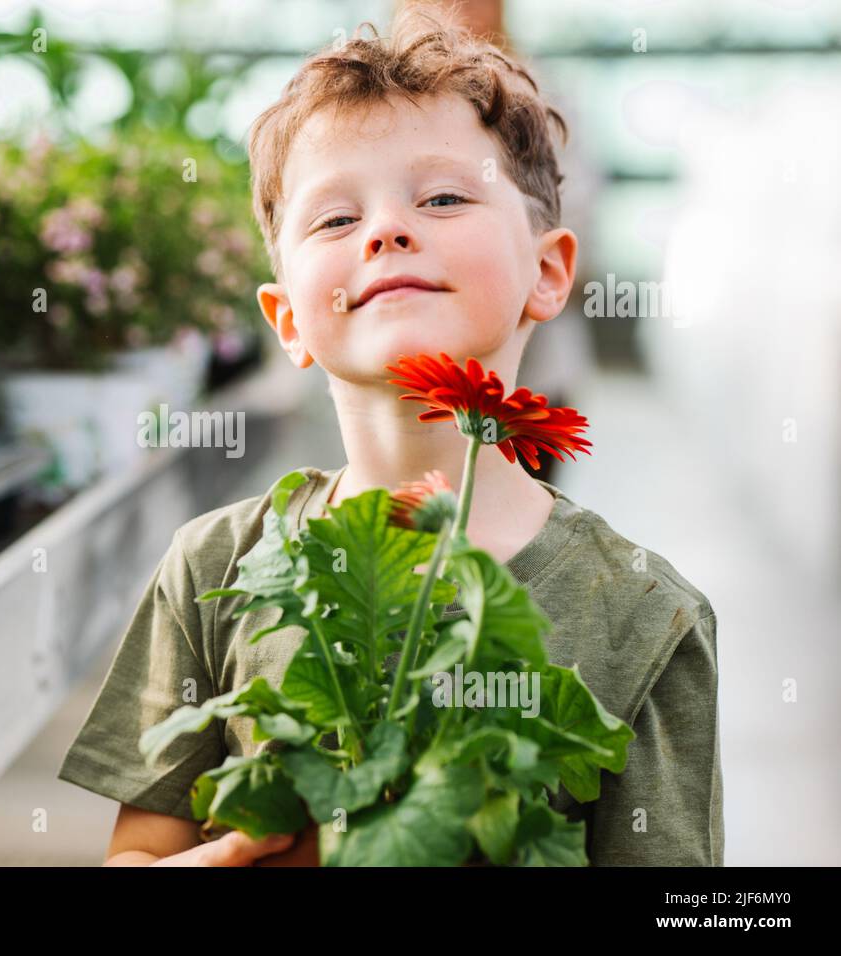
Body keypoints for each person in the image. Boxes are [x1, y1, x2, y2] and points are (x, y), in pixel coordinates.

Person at [57, 3, 723, 867]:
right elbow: (137, 855)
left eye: (444, 196)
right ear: (286, 318)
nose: (386, 230)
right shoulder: (211, 571)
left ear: (550, 271)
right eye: (335, 220)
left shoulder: (646, 615)